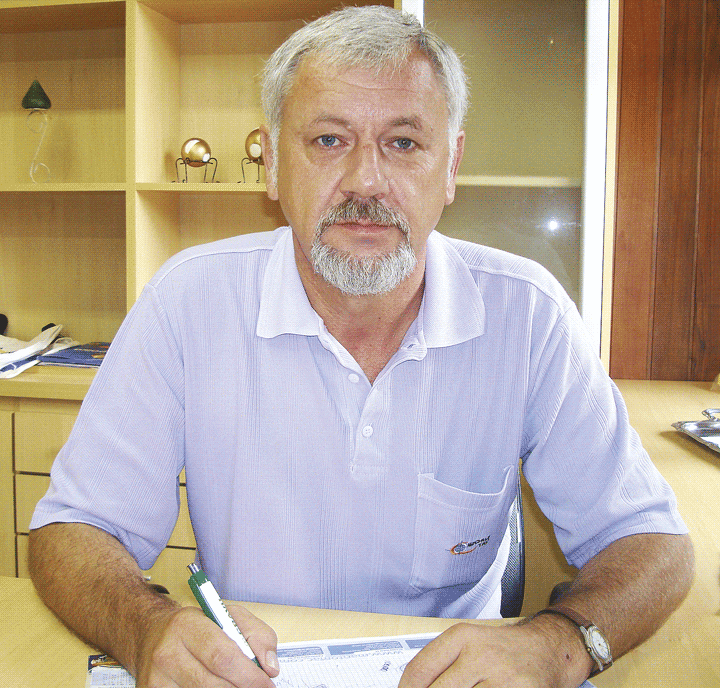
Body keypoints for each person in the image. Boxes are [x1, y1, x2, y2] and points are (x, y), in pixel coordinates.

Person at [28, 6, 693, 688]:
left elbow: (652, 544)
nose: (366, 181)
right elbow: (72, 530)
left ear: (451, 165)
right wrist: (146, 627)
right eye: (328, 140)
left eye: (403, 142)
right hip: (254, 673)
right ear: (272, 164)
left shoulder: (527, 314)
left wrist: (557, 646)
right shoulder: (187, 303)